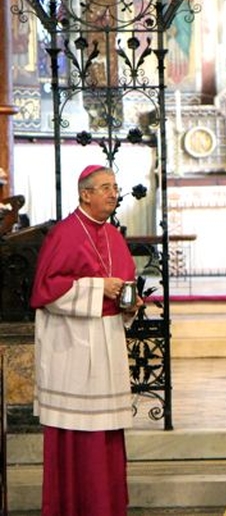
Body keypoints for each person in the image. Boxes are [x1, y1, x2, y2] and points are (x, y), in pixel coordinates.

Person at [31, 165, 143, 516]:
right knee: (77, 434)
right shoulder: (64, 234)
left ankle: (106, 507)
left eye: (115, 187)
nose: (113, 193)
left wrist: (130, 302)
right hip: (72, 347)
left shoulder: (112, 234)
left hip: (106, 343)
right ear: (85, 194)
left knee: (106, 432)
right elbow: (46, 291)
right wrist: (99, 288)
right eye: (105, 187)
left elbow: (123, 282)